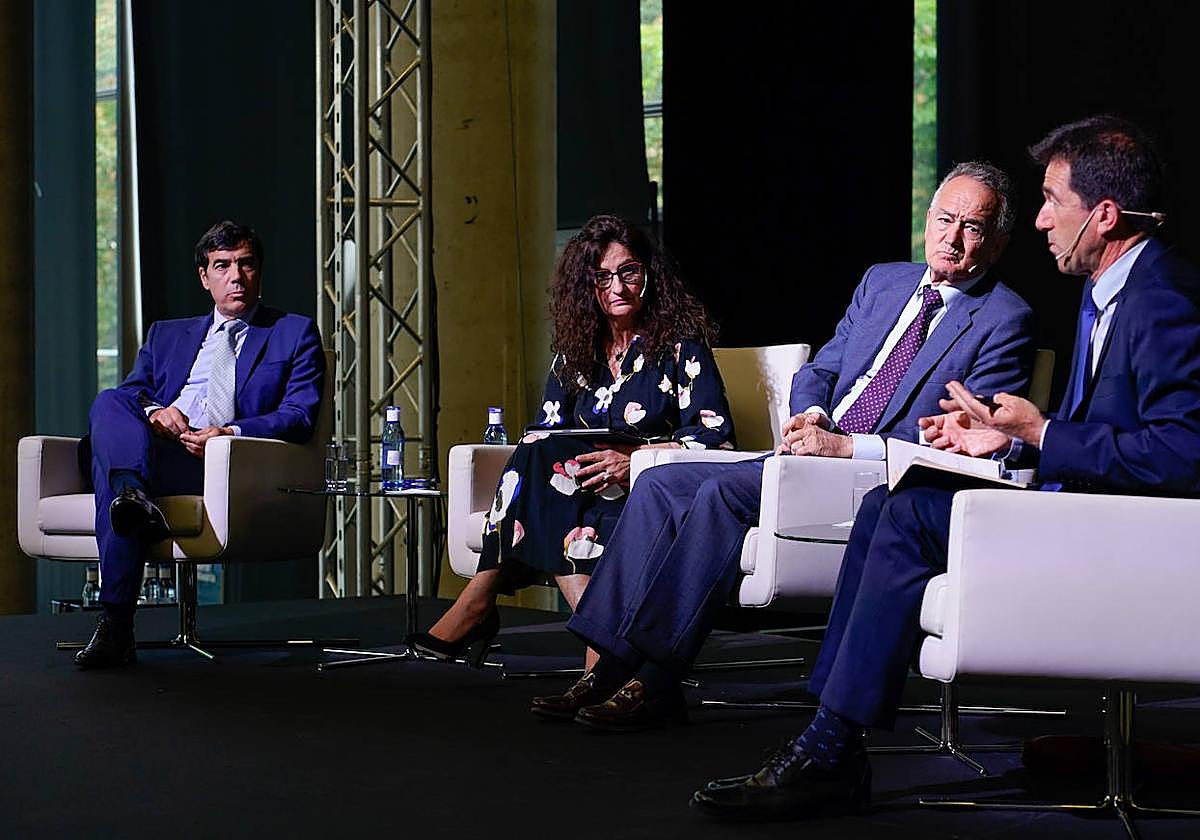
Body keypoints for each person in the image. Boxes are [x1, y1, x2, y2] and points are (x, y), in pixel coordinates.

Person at [690, 115, 1200, 820]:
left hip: (1120, 533)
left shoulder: (1163, 299)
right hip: (1085, 503)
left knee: (902, 516)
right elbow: (1105, 433)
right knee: (890, 504)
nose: (1042, 221)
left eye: (1053, 201)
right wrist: (1004, 439)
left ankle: (830, 748)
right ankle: (828, 734)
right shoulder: (1104, 291)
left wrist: (1043, 432)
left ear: (1105, 215)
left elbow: (1183, 454)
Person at [529, 161, 1035, 727]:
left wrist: (845, 448)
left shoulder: (1004, 319)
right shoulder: (885, 282)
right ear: (927, 218)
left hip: (874, 473)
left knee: (719, 494)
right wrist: (812, 416)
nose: (952, 236)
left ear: (996, 242)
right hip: (808, 452)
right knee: (660, 480)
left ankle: (656, 680)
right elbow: (821, 370)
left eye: (972, 226)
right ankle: (608, 665)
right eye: (945, 218)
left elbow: (967, 442)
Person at [406, 214, 735, 666]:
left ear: (649, 274)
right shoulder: (578, 351)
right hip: (581, 487)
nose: (617, 287)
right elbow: (548, 431)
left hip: (646, 492)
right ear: (587, 287)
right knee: (541, 453)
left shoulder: (681, 346)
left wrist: (635, 460)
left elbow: (716, 438)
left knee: (552, 491)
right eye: (602, 278)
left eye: (629, 272)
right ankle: (601, 639)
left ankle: (481, 603)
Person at [74, 220, 325, 669]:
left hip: (222, 464)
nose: (236, 276)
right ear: (204, 277)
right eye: (223, 265)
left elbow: (299, 415)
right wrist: (155, 412)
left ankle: (116, 624)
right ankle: (132, 493)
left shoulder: (294, 333)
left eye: (246, 264)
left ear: (259, 272)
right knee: (112, 399)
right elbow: (134, 394)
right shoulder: (166, 334)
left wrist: (229, 433)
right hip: (154, 450)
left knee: (110, 475)